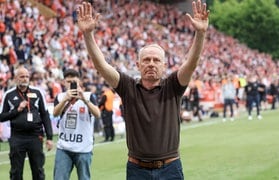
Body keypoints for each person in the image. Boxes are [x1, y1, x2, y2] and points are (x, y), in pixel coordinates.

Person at [76, 0, 209, 179]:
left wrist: (200, 33)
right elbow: (101, 65)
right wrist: (88, 35)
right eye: (146, 60)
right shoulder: (128, 87)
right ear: (138, 65)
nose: (151, 64)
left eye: (156, 60)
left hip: (170, 167)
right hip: (137, 169)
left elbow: (191, 64)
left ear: (164, 65)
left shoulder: (172, 86)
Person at [0, 66, 53, 180]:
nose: (25, 79)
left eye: (27, 76)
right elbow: (1, 117)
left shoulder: (38, 92)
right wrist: (16, 110)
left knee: (38, 170)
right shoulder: (8, 95)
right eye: (22, 76)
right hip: (17, 137)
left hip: (35, 136)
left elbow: (45, 115)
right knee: (16, 172)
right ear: (15, 78)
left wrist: (49, 137)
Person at [52, 69, 100, 180]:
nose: (71, 84)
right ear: (64, 82)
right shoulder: (60, 97)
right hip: (64, 147)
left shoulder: (88, 96)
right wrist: (65, 100)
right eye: (68, 81)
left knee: (84, 178)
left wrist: (84, 100)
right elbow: (55, 113)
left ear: (79, 82)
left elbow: (97, 114)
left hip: (83, 148)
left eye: (73, 81)